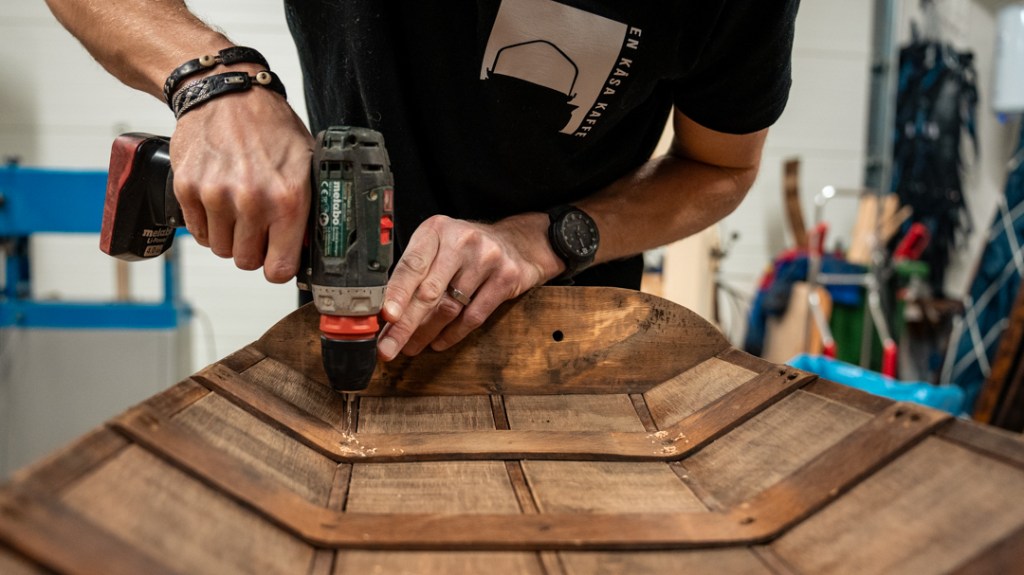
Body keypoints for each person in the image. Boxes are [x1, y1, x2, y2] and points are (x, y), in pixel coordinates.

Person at [45, 0, 799, 362]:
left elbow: (721, 166)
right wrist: (212, 80)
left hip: (572, 334)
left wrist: (547, 239)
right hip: (358, 331)